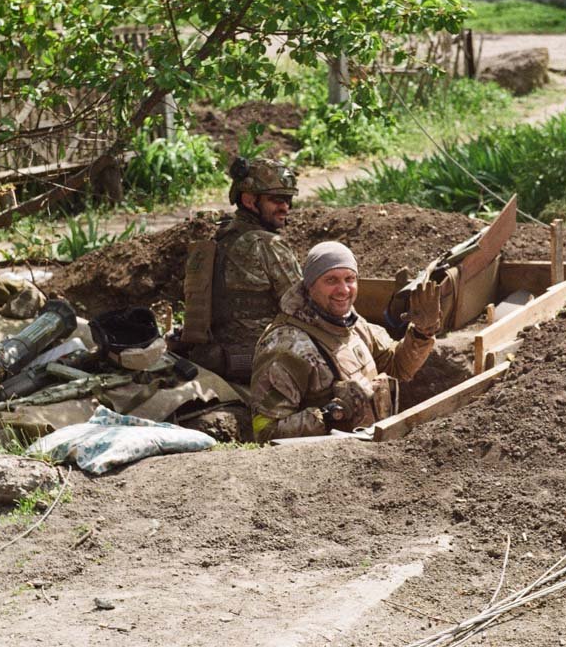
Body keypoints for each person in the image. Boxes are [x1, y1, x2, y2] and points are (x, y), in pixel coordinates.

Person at [249, 241, 441, 441]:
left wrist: (422, 333)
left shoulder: (354, 325)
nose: (344, 290)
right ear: (310, 285)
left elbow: (398, 366)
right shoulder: (285, 347)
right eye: (331, 280)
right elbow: (264, 431)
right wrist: (331, 414)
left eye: (350, 279)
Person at [181, 156, 303, 385]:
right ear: (248, 200)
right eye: (276, 200)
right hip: (257, 360)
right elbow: (304, 307)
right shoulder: (266, 244)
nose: (285, 207)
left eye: (288, 199)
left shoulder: (219, 238)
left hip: (214, 356)